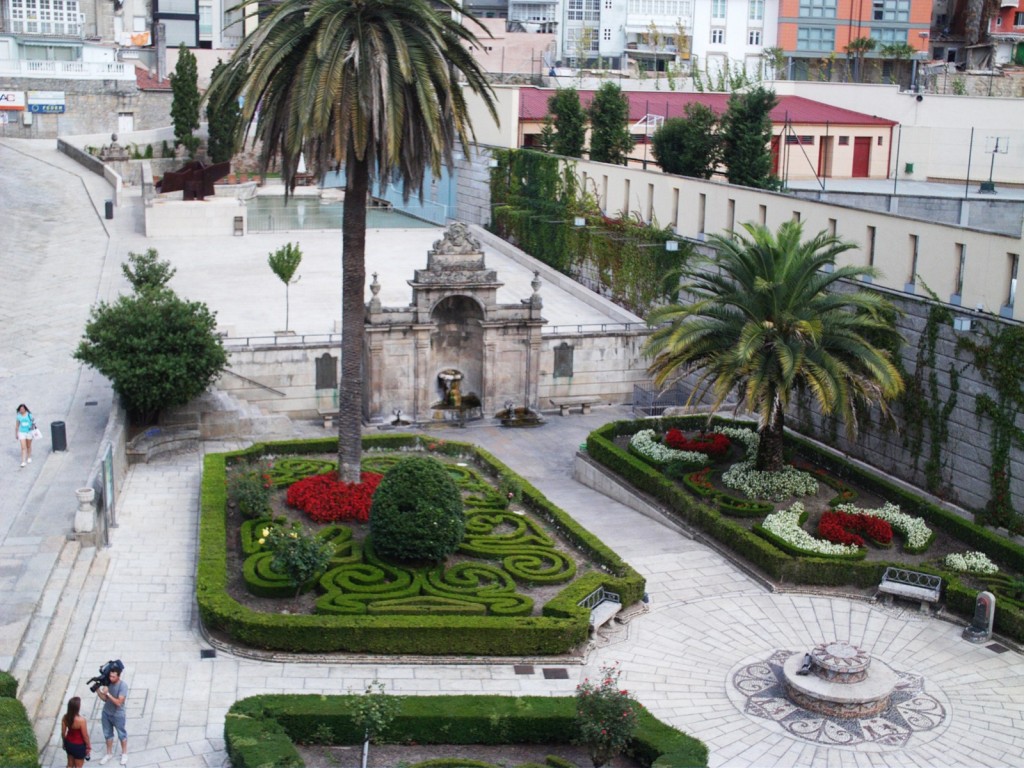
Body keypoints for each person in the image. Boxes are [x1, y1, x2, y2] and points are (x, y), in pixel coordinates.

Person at [97, 665, 128, 765]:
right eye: (110, 676)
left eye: (113, 677)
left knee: (121, 734)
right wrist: (98, 690)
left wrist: (109, 694)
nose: (111, 678)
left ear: (118, 676)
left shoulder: (123, 686)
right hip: (107, 713)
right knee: (107, 734)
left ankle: (124, 753)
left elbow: (119, 702)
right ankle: (109, 753)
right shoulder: (108, 683)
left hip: (118, 714)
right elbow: (105, 699)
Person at [61, 696, 91, 767]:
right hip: (79, 746)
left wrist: (64, 742)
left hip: (69, 743)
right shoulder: (81, 721)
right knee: (78, 766)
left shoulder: (65, 717)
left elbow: (63, 733)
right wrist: (88, 746)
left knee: (69, 764)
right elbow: (85, 736)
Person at [14, 403, 34, 468]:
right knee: (23, 447)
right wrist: (16, 434)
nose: (21, 410)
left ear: (25, 409)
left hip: (29, 432)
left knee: (28, 446)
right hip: (22, 432)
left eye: (22, 409)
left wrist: (32, 429)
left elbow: (33, 423)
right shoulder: (19, 416)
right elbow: (17, 425)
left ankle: (29, 457)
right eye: (20, 409)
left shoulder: (29, 415)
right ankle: (23, 461)